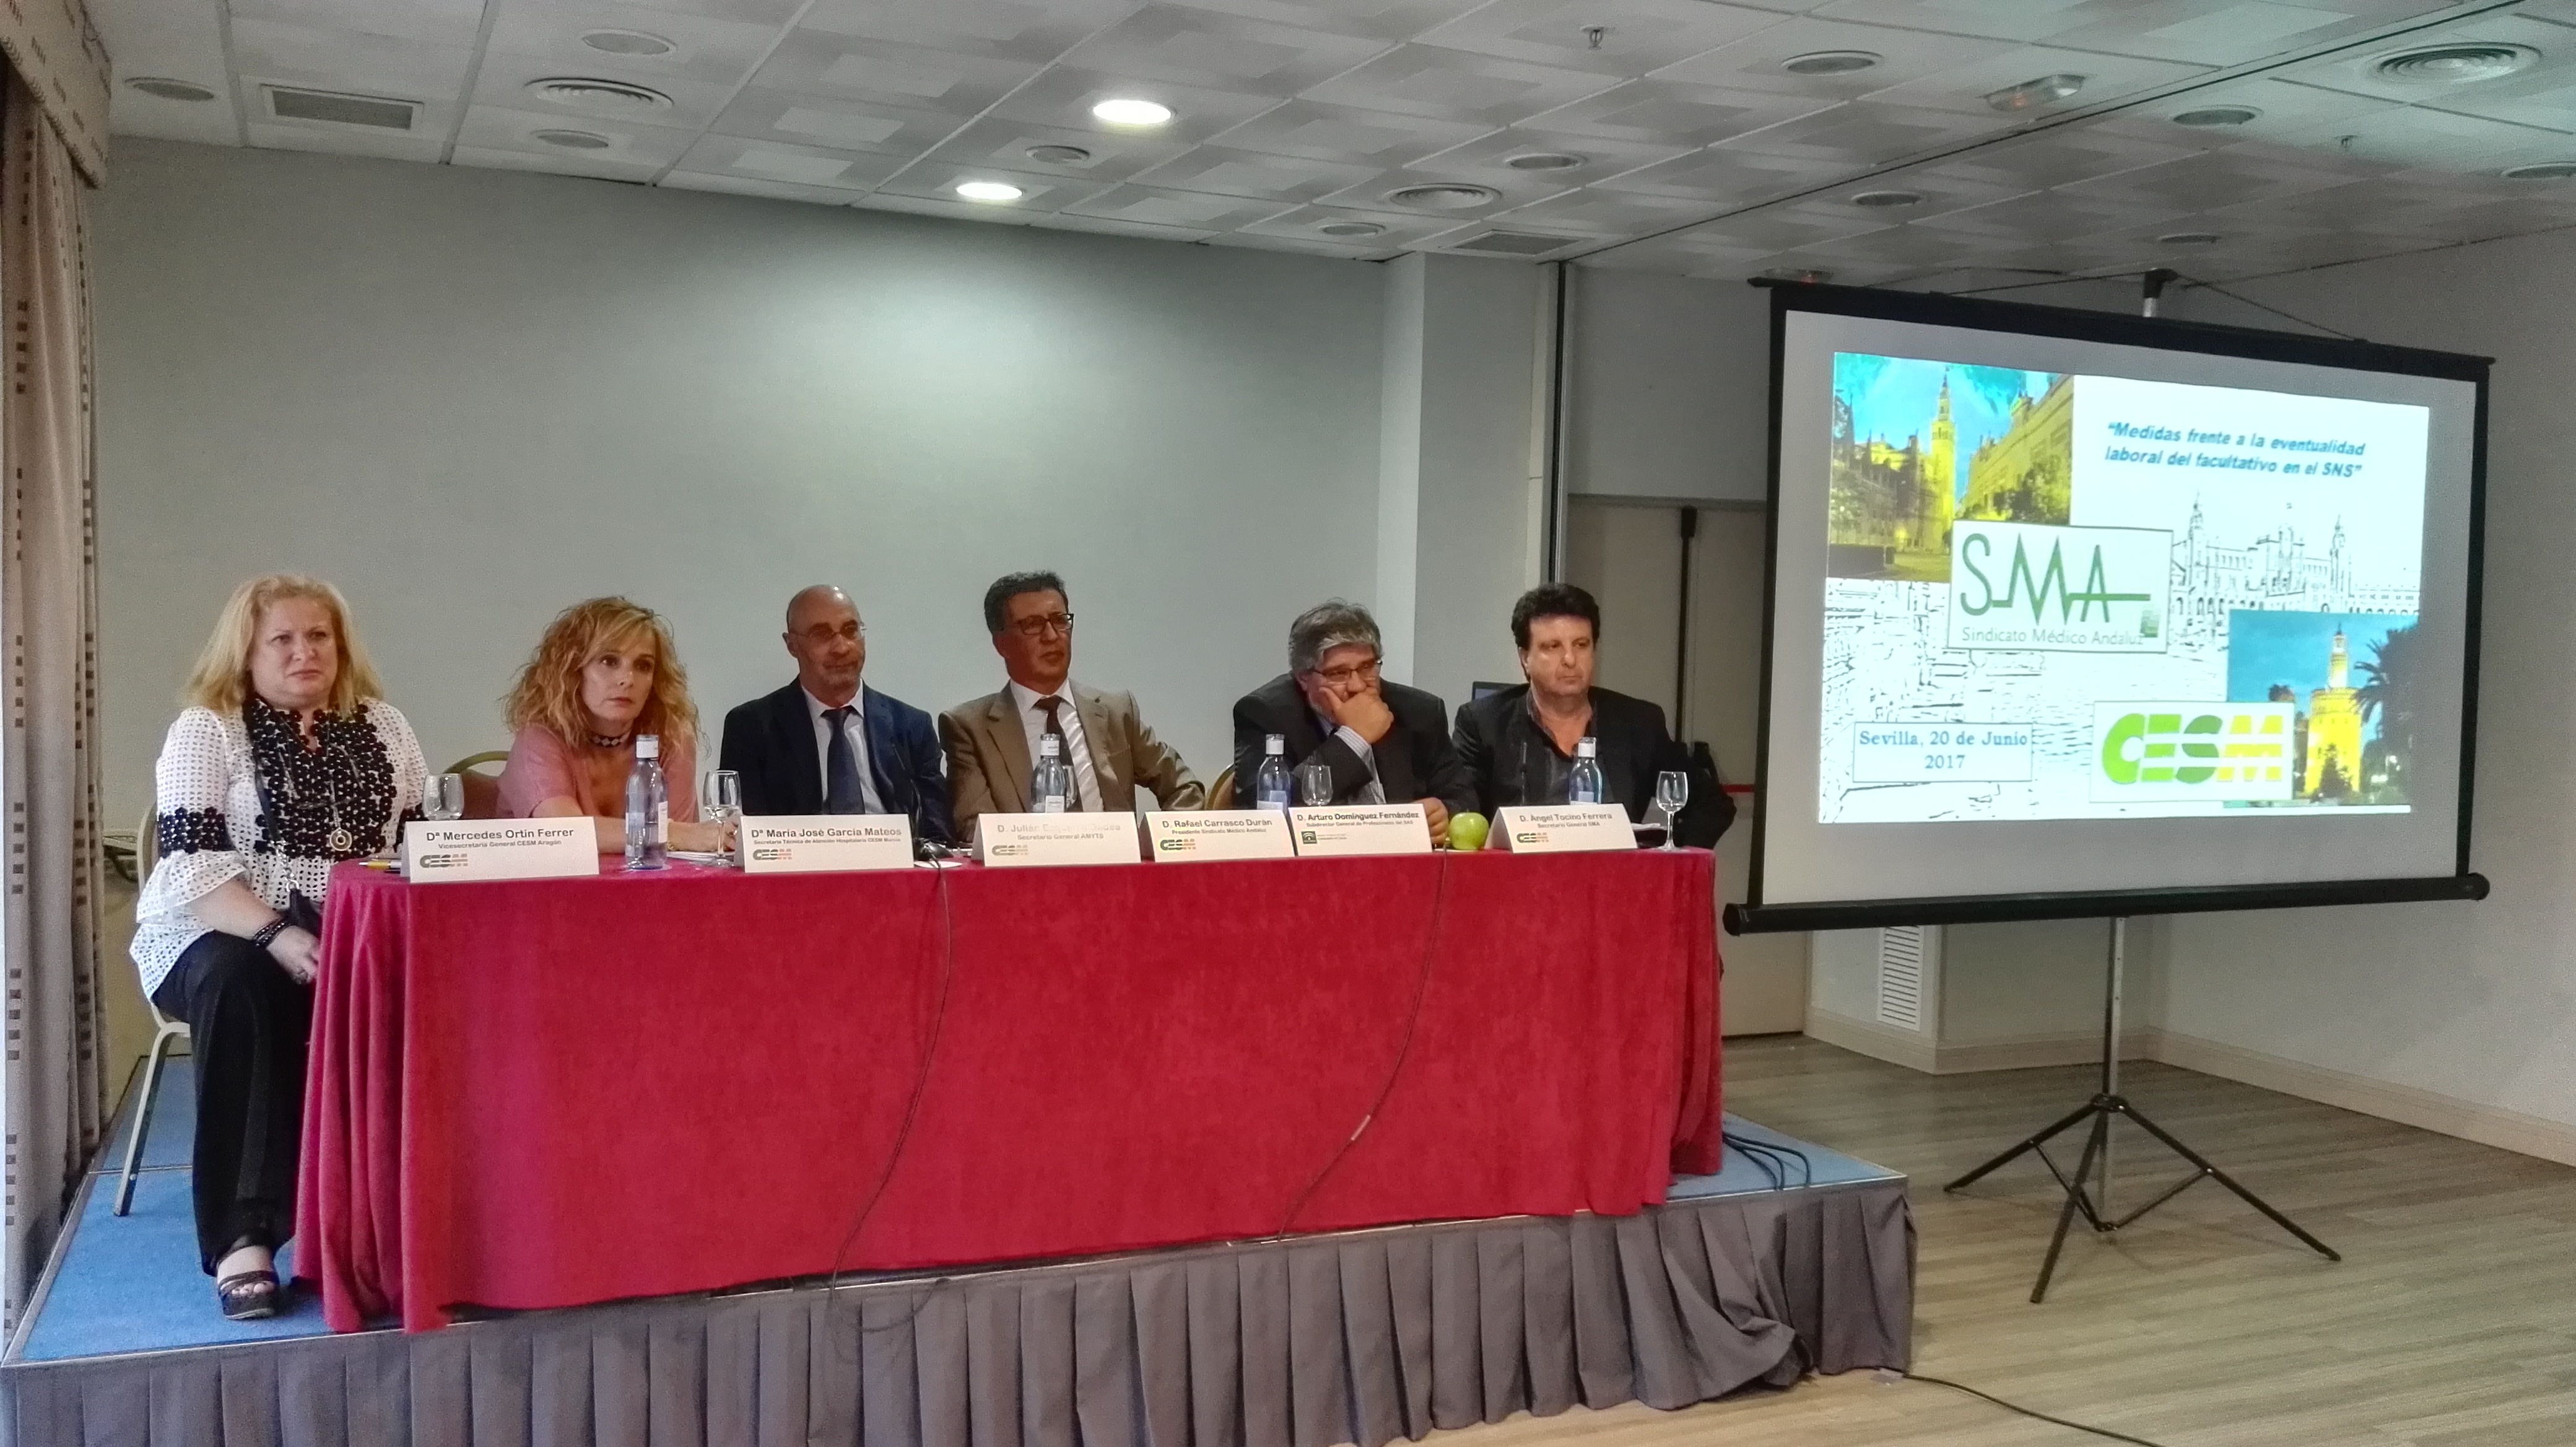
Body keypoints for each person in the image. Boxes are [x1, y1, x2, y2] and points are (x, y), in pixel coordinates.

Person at [134, 575, 427, 1320]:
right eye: (284, 639)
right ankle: (243, 1237)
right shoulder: (209, 727)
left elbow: (422, 844)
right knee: (244, 981)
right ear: (248, 651)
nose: (306, 652)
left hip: (347, 934)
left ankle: (407, 1223)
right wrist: (278, 932)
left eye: (319, 636)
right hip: (213, 932)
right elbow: (193, 870)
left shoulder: (385, 724)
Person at [1452, 582, 1733, 846]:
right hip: (1520, 886)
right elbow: (1460, 811)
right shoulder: (1484, 723)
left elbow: (1713, 806)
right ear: (1525, 658)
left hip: (1612, 886)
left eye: (1581, 645)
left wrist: (1661, 858)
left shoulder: (1639, 722)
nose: (1570, 660)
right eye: (1553, 647)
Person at [941, 571, 1203, 837]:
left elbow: (1184, 787)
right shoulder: (969, 727)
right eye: (1033, 624)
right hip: (1029, 873)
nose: (1052, 636)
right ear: (1002, 644)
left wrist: (1159, 846)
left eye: (1060, 621)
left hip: (1116, 870)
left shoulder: (1116, 711)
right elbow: (977, 830)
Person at [718, 585, 952, 844]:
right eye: (822, 634)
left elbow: (937, 834)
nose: (841, 647)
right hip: (799, 874)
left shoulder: (911, 726)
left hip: (896, 874)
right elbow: (748, 837)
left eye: (851, 631)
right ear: (792, 645)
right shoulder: (752, 727)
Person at [1232, 600, 1471, 844]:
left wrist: (1446, 812)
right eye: (1338, 673)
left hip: (1405, 866)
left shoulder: (1419, 711)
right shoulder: (1264, 713)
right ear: (1303, 677)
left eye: (1367, 667)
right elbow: (1263, 820)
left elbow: (1464, 797)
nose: (1358, 686)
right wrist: (1354, 738)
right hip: (1316, 869)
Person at [498, 597, 726, 852]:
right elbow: (565, 834)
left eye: (643, 665)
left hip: (647, 889)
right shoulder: (538, 738)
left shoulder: (671, 738)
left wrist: (679, 837)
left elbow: (680, 854)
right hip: (546, 888)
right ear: (573, 669)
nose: (627, 679)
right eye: (609, 661)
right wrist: (672, 833)